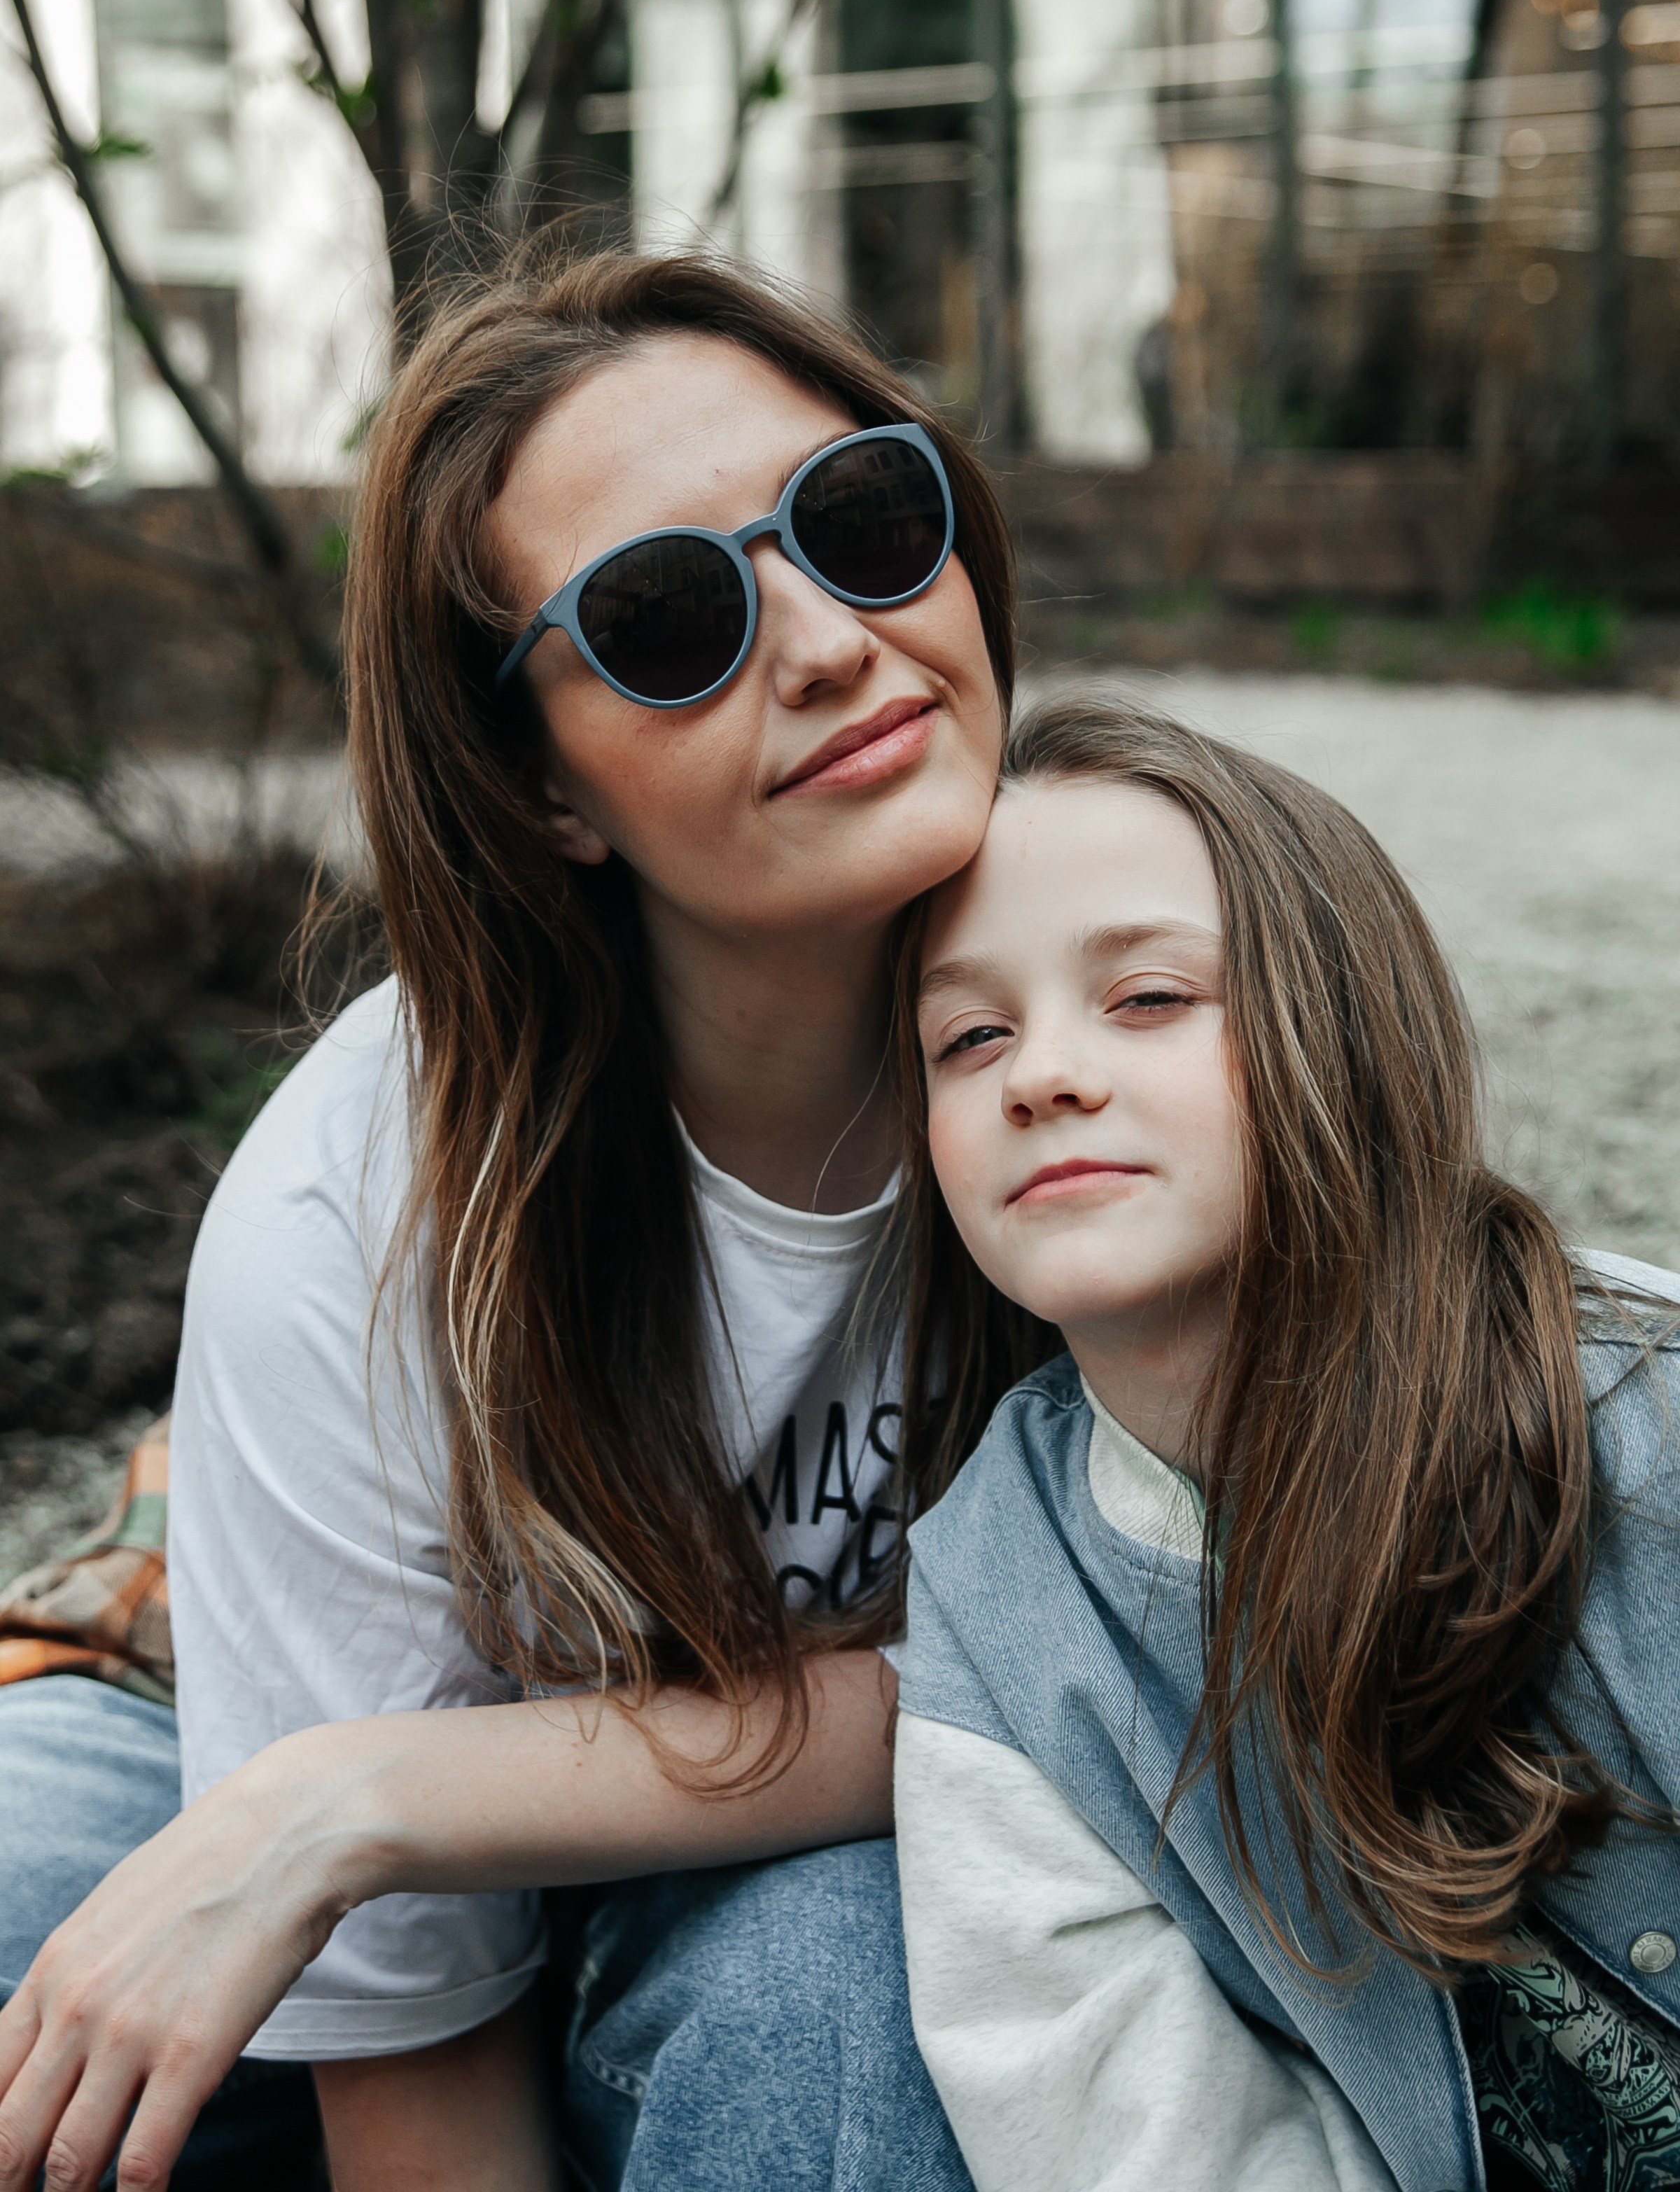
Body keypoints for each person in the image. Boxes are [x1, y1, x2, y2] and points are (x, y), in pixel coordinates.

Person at [0, 247, 1043, 2192]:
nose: (829, 639)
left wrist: (373, 1796)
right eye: (669, 618)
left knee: (838, 1983)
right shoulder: (361, 1210)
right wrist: (317, 1802)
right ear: (540, 788)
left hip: (744, 1841)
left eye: (868, 518)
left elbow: (1150, 1683)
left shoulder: (1159, 1021)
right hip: (224, 1710)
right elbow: (420, 2077)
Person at [894, 692, 1680, 2192]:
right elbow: (1136, 2136)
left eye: (1148, 999)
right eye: (968, 1033)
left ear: (1343, 1022)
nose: (1038, 1073)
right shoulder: (1001, 1609)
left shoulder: (1640, 1418)